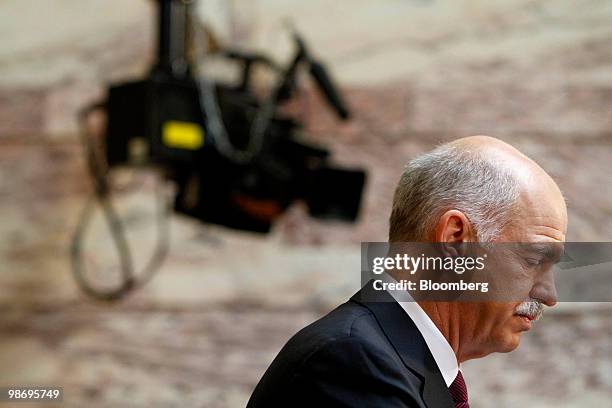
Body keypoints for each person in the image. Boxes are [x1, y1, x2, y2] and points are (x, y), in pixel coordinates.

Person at [247, 136, 567, 408]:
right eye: (534, 260)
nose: (549, 296)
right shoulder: (355, 363)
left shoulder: (388, 359)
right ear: (456, 240)